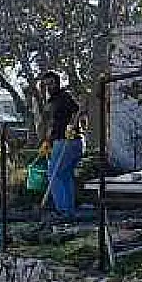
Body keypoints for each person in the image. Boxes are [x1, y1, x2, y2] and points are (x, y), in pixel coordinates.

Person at [36, 70, 84, 216]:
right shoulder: (53, 100)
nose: (49, 87)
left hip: (68, 141)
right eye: (46, 84)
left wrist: (72, 127)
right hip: (62, 141)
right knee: (65, 175)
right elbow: (53, 124)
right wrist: (47, 142)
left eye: (51, 83)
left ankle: (63, 210)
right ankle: (69, 210)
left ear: (57, 82)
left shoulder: (64, 96)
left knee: (54, 174)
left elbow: (78, 110)